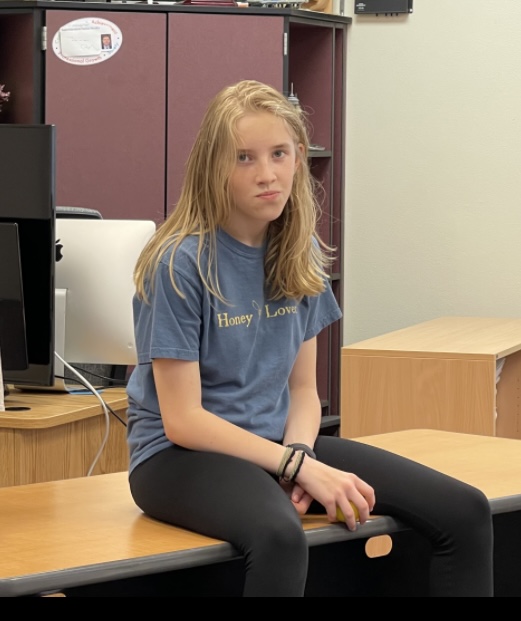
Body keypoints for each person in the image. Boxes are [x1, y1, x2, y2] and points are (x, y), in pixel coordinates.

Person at [126, 79, 494, 597]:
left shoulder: (297, 253)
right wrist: (297, 465)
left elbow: (302, 391)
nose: (267, 174)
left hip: (280, 444)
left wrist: (299, 454)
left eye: (279, 154)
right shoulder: (179, 263)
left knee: (465, 510)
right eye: (245, 158)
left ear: (299, 158)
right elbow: (183, 420)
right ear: (214, 167)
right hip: (176, 458)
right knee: (280, 534)